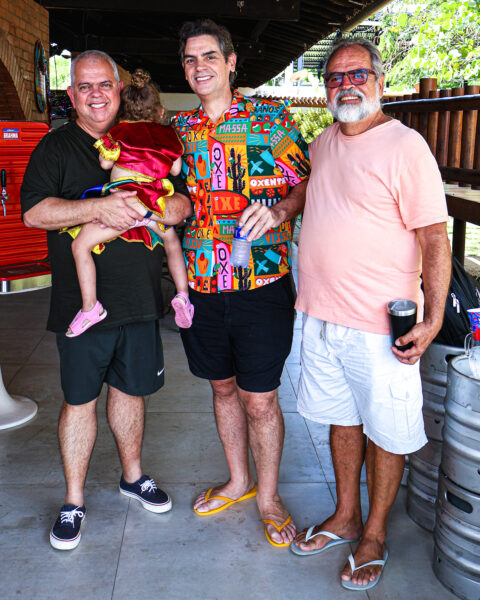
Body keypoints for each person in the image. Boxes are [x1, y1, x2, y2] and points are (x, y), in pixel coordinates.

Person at [291, 39, 451, 590]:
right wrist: (282, 208)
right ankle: (346, 515)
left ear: (379, 81)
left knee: (385, 430)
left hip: (382, 324)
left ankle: (375, 532)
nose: (346, 85)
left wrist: (432, 318)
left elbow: (434, 236)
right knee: (342, 420)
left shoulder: (406, 146)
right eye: (335, 78)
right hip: (322, 314)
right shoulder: (324, 143)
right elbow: (315, 191)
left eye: (357, 74)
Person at [21, 50, 192, 551]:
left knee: (131, 392)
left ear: (119, 89)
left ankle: (132, 477)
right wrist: (100, 207)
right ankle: (73, 501)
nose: (95, 94)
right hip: (81, 307)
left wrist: (159, 207)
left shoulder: (146, 135)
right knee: (80, 402)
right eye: (84, 86)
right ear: (71, 94)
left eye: (104, 85)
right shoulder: (56, 146)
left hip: (139, 299)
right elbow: (34, 213)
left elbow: (181, 202)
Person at [172, 19, 310, 548]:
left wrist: (279, 211)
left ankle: (269, 497)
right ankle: (238, 481)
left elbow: (304, 183)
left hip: (262, 283)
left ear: (231, 63)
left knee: (261, 399)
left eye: (209, 56)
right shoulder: (179, 129)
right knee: (222, 387)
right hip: (202, 283)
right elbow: (170, 191)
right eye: (190, 59)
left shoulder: (271, 120)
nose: (199, 66)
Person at [65, 68, 193, 336]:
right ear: (160, 111)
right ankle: (183, 295)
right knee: (172, 244)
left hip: (125, 204)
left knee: (80, 245)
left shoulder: (119, 132)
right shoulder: (168, 135)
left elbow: (105, 162)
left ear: (122, 111)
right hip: (155, 204)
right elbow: (175, 170)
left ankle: (90, 307)